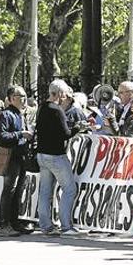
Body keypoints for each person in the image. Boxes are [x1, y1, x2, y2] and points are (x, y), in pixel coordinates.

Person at [36, 79, 83, 237]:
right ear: (61, 94)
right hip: (56, 155)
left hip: (42, 155)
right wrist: (78, 127)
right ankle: (66, 226)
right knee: (69, 189)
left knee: (45, 192)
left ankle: (46, 226)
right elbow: (66, 134)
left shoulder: (42, 107)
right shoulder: (57, 110)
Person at [0, 85, 35, 237]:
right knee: (9, 190)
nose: (24, 99)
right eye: (21, 96)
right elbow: (2, 137)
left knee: (17, 191)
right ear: (12, 98)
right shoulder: (6, 115)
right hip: (11, 157)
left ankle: (14, 222)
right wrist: (21, 134)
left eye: (25, 96)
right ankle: (4, 224)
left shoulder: (20, 114)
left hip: (21, 156)